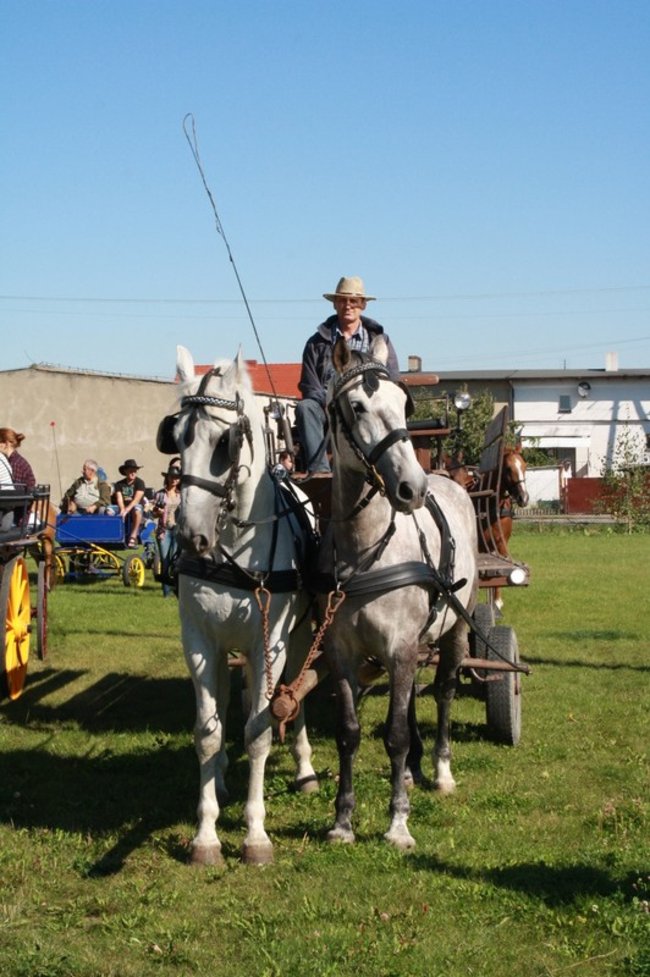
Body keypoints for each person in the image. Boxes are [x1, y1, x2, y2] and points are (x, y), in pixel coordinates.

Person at [296, 276, 400, 474]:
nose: (348, 306)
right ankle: (321, 471)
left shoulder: (379, 340)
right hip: (327, 408)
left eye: (354, 301)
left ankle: (389, 468)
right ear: (335, 304)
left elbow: (392, 380)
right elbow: (309, 385)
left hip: (367, 409)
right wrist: (327, 402)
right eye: (343, 300)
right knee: (305, 408)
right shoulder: (315, 343)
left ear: (363, 305)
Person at [152, 459, 181, 596]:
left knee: (175, 561)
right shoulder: (160, 494)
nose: (174, 480)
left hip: (177, 529)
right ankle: (166, 591)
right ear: (167, 478)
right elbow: (152, 512)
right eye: (172, 477)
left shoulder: (182, 495)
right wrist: (156, 512)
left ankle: (175, 588)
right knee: (165, 560)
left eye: (177, 478)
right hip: (164, 531)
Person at [113, 458, 146, 547]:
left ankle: (133, 535)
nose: (133, 473)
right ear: (125, 471)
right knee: (109, 510)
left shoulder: (140, 483)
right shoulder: (119, 484)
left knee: (137, 510)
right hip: (122, 506)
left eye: (135, 471)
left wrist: (126, 510)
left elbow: (136, 500)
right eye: (131, 471)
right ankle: (113, 535)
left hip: (134, 505)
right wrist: (122, 509)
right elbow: (119, 498)